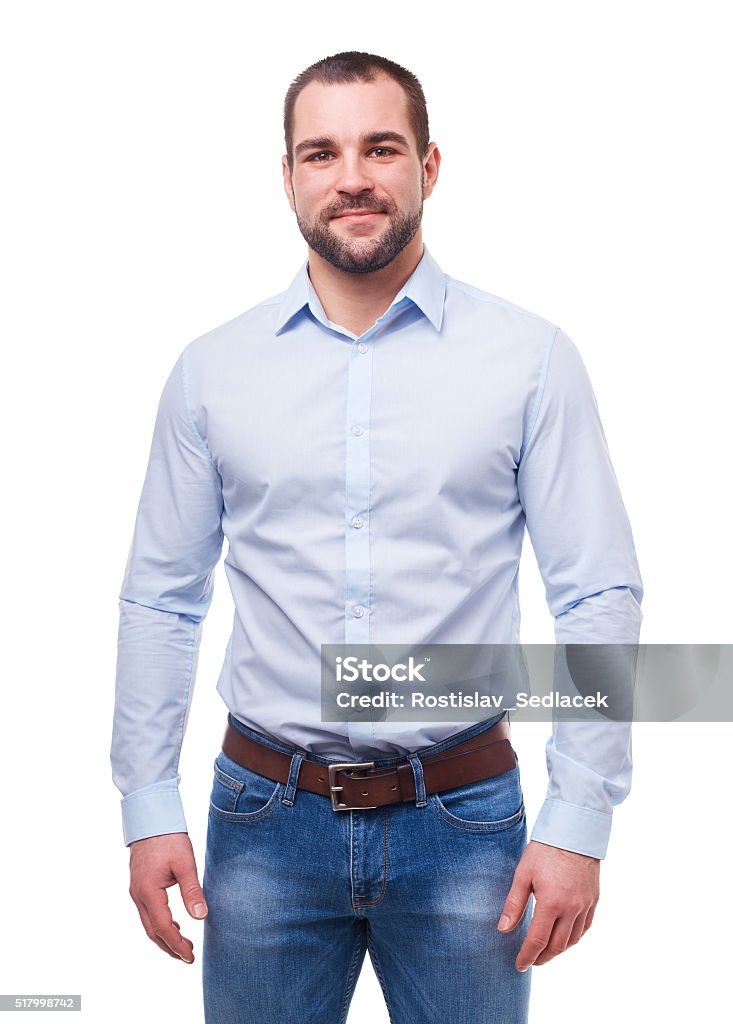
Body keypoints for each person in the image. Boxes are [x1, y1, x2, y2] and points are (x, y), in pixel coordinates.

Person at [111, 51, 643, 1024]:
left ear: (428, 167)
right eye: (321, 152)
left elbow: (595, 592)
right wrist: (146, 802)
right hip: (261, 822)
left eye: (379, 147)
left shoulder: (529, 360)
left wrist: (580, 818)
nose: (350, 175)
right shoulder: (211, 372)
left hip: (466, 826)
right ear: (289, 177)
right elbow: (161, 595)